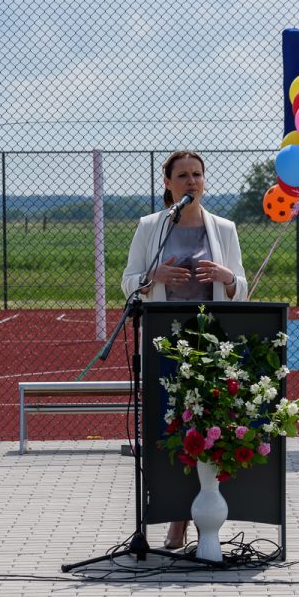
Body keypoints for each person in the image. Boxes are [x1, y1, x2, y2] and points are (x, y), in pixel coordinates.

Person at [121, 150, 247, 549]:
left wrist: (228, 278)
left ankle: (202, 519)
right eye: (183, 176)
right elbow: (127, 283)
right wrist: (150, 275)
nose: (191, 181)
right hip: (165, 345)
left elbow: (241, 290)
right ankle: (175, 520)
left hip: (210, 345)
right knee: (171, 432)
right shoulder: (150, 227)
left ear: (204, 181)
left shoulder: (224, 229)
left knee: (206, 432)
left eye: (197, 174)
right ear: (168, 183)